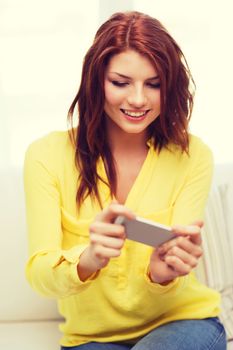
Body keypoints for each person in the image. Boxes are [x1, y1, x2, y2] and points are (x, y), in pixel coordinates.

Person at [23, 11, 227, 350]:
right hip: (90, 339)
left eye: (154, 84)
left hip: (183, 324)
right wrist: (88, 259)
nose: (137, 100)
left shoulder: (193, 156)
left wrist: (163, 274)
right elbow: (40, 275)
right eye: (121, 83)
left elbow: (176, 265)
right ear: (96, 80)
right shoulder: (46, 155)